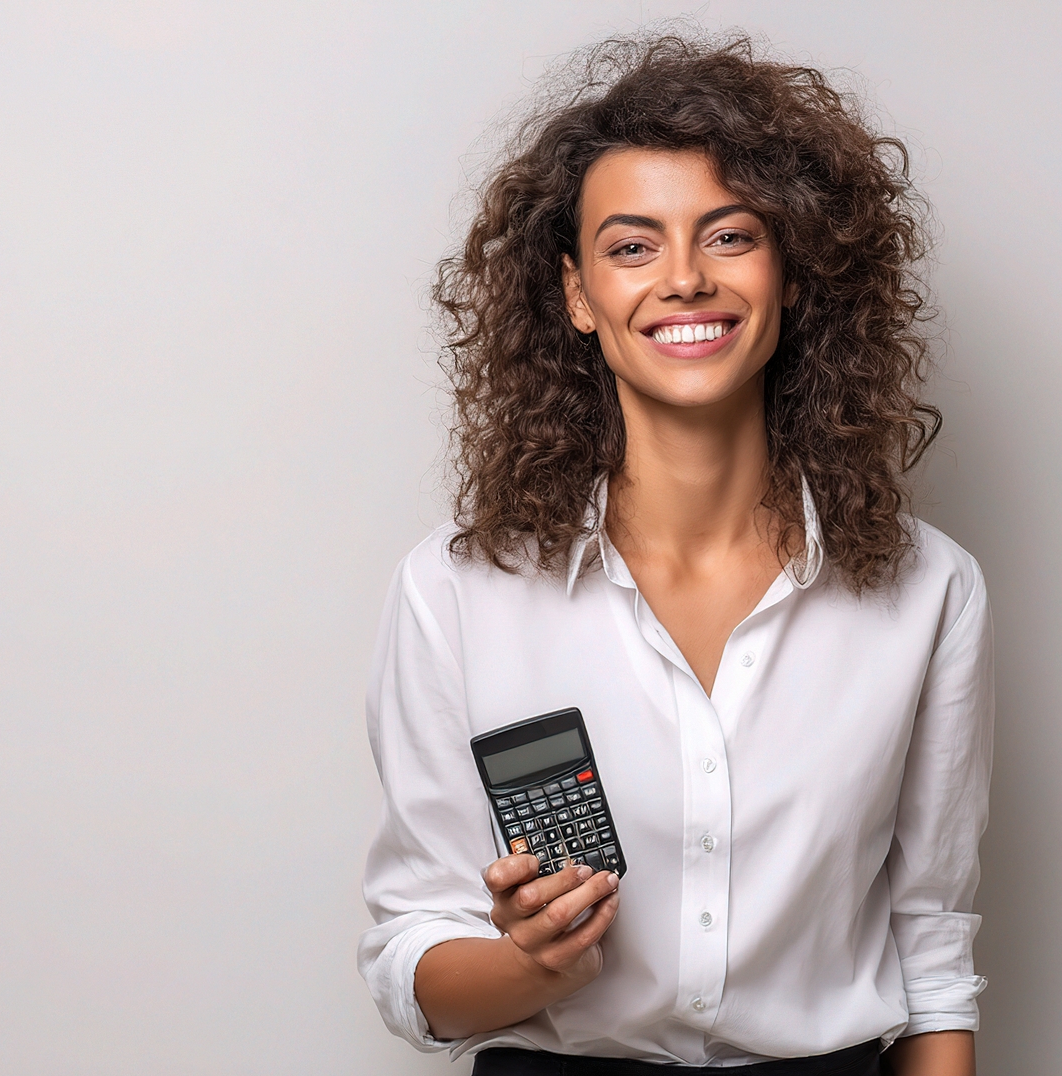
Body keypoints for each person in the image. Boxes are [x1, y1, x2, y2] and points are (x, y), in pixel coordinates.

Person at [357, 32, 992, 1076]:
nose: (686, 279)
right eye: (633, 245)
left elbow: (932, 944)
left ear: (794, 277)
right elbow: (409, 950)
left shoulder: (931, 590)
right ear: (576, 295)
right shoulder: (455, 588)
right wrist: (540, 965)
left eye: (731, 235)